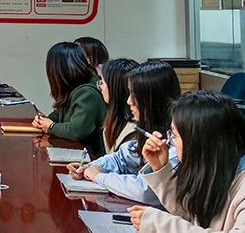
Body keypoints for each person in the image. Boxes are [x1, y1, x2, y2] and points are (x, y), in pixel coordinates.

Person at [129, 91, 245, 232]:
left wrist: (161, 225)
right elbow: (193, 216)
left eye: (174, 135)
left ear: (199, 142)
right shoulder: (221, 164)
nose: (170, 142)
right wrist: (161, 169)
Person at [68, 60, 181, 206]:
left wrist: (99, 176)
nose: (129, 101)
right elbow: (120, 158)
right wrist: (91, 167)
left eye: (134, 95)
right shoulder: (147, 130)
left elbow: (146, 190)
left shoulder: (176, 141)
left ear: (151, 99)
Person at [32, 42, 107, 156]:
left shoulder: (87, 93)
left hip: (90, 158)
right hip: (77, 154)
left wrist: (51, 127)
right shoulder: (74, 89)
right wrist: (42, 121)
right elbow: (60, 114)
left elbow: (76, 130)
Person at [98, 58, 139, 152]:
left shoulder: (134, 132)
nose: (100, 86)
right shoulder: (116, 119)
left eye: (102, 82)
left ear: (115, 88)